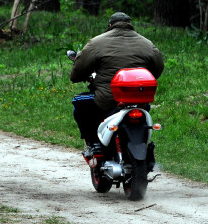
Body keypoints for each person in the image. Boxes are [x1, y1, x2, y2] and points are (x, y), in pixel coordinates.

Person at [70, 12, 164, 157]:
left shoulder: (96, 43)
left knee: (79, 102)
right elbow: (158, 68)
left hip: (108, 100)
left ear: (110, 26)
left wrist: (79, 76)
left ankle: (93, 143)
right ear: (130, 25)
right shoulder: (147, 43)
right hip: (140, 99)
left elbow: (77, 73)